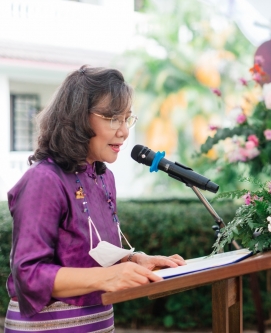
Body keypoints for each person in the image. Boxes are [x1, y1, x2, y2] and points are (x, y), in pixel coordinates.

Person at [4, 65, 186, 332]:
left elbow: (89, 255)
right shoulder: (44, 179)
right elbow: (28, 274)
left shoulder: (103, 176)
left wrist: (133, 261)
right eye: (113, 118)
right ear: (78, 118)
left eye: (127, 118)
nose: (124, 131)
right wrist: (109, 275)